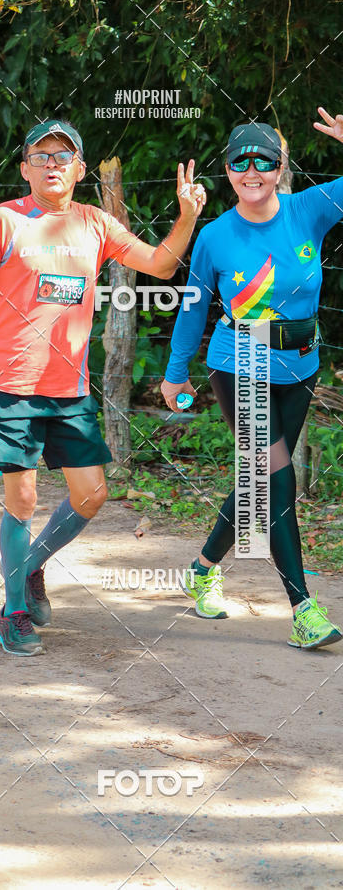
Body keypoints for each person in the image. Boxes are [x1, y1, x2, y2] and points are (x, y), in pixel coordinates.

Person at [0, 118, 206, 655]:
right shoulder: (3, 220)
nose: (53, 164)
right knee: (23, 498)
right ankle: (12, 613)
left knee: (91, 493)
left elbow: (160, 263)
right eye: (42, 156)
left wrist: (187, 217)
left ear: (81, 170)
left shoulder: (95, 223)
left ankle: (29, 566)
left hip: (68, 389)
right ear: (25, 169)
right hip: (9, 384)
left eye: (64, 156)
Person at [161, 109, 343, 650]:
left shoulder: (309, 209)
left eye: (264, 159)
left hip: (300, 364)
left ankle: (201, 567)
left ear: (282, 166)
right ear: (227, 170)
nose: (252, 169)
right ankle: (303, 608)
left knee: (257, 483)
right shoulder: (215, 236)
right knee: (277, 478)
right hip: (240, 362)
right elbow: (193, 310)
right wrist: (175, 375)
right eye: (241, 160)